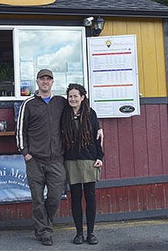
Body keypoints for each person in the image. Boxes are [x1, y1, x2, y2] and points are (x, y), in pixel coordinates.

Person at [15, 68, 67, 246]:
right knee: (37, 199)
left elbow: (80, 111)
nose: (45, 82)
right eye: (42, 79)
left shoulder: (61, 102)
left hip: (56, 160)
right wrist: (25, 153)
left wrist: (96, 126)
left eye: (49, 79)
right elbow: (20, 130)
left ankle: (44, 225)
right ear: (37, 82)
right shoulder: (28, 104)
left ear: (53, 82)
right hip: (35, 160)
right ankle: (44, 232)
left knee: (54, 197)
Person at [61, 83, 104, 245]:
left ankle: (91, 233)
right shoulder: (64, 114)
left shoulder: (90, 114)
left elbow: (96, 137)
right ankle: (79, 233)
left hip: (89, 159)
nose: (72, 99)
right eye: (70, 96)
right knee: (76, 198)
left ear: (82, 97)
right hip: (71, 160)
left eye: (75, 96)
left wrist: (100, 156)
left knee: (90, 197)